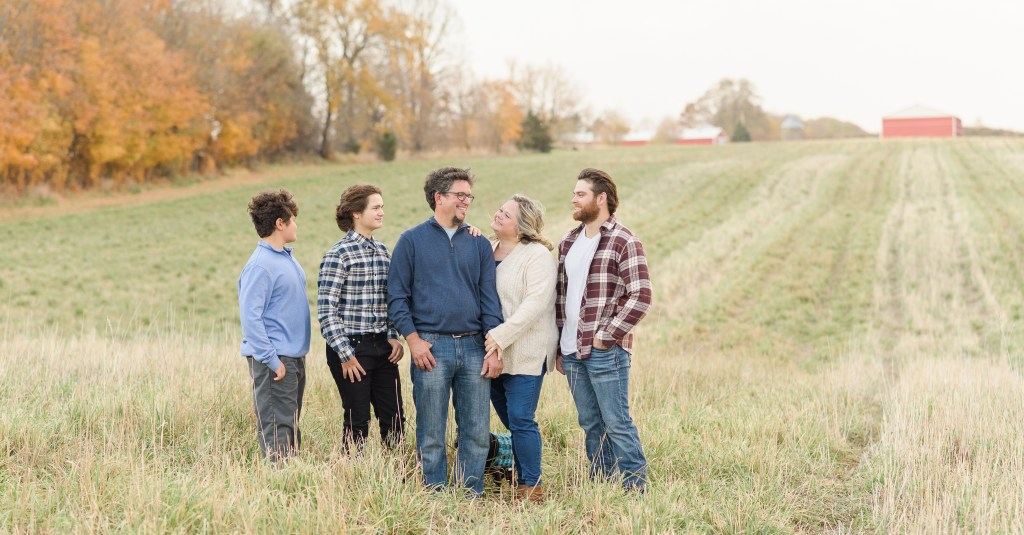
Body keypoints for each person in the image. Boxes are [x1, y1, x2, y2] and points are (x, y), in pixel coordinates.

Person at [387, 167, 504, 497]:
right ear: (439, 198)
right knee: (431, 432)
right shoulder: (411, 241)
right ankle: (435, 496)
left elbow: (488, 298)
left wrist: (493, 346)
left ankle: (470, 495)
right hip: (430, 347)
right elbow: (396, 297)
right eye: (460, 195)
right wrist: (413, 340)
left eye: (469, 196)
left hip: (474, 348)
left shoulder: (478, 244)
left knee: (477, 431)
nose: (466, 202)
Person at [555, 168, 653, 493]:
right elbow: (561, 297)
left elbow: (641, 294)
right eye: (574, 193)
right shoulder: (568, 241)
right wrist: (558, 347)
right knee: (591, 424)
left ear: (601, 199)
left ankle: (635, 489)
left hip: (605, 351)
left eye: (580, 194)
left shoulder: (624, 240)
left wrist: (606, 335)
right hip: (571, 351)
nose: (573, 199)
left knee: (617, 422)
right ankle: (602, 485)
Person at [318, 184, 405, 452]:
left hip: (382, 347)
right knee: (358, 421)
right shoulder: (338, 255)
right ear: (356, 212)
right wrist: (346, 354)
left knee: (395, 419)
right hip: (351, 348)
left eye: (382, 207)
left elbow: (390, 300)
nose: (382, 212)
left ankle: (397, 477)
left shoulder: (383, 251)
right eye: (375, 207)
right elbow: (326, 310)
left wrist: (393, 336)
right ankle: (353, 478)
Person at [483, 194, 558, 503]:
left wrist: (500, 336)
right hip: (491, 351)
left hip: (526, 350)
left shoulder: (536, 255)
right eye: (499, 209)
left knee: (521, 419)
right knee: (509, 420)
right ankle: (510, 464)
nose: (499, 215)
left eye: (507, 214)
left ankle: (531, 486)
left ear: (523, 225)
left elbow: (535, 305)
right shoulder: (486, 249)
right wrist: (493, 344)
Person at [238, 189, 311, 462]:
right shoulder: (260, 266)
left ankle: (292, 484)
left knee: (289, 424)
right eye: (292, 219)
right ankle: (280, 487)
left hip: (293, 357)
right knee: (278, 428)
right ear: (280, 223)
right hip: (275, 360)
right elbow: (250, 318)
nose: (296, 224)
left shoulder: (285, 258)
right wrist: (271, 360)